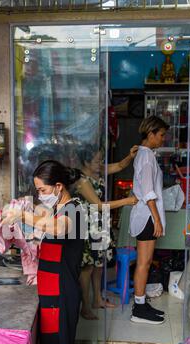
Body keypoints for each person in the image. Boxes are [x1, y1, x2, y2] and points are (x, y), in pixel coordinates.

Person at [2, 160, 85, 344]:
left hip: (60, 295)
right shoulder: (59, 208)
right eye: (36, 190)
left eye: (43, 189)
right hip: (55, 293)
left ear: (59, 187)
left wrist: (21, 216)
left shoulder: (73, 210)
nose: (39, 195)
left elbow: (59, 229)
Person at [73, 144, 138, 319]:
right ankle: (85, 306)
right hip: (86, 226)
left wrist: (130, 156)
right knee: (87, 267)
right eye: (97, 160)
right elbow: (99, 205)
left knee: (99, 264)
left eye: (101, 159)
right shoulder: (81, 180)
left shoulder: (97, 170)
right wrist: (127, 201)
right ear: (86, 161)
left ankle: (98, 300)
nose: (100, 163)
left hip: (100, 224)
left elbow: (119, 166)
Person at [129, 115, 169, 325]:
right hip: (147, 216)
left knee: (144, 263)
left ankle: (141, 303)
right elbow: (147, 192)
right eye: (161, 135)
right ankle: (139, 308)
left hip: (146, 215)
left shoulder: (146, 156)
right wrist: (157, 220)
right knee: (144, 263)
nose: (163, 139)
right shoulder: (146, 157)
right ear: (151, 134)